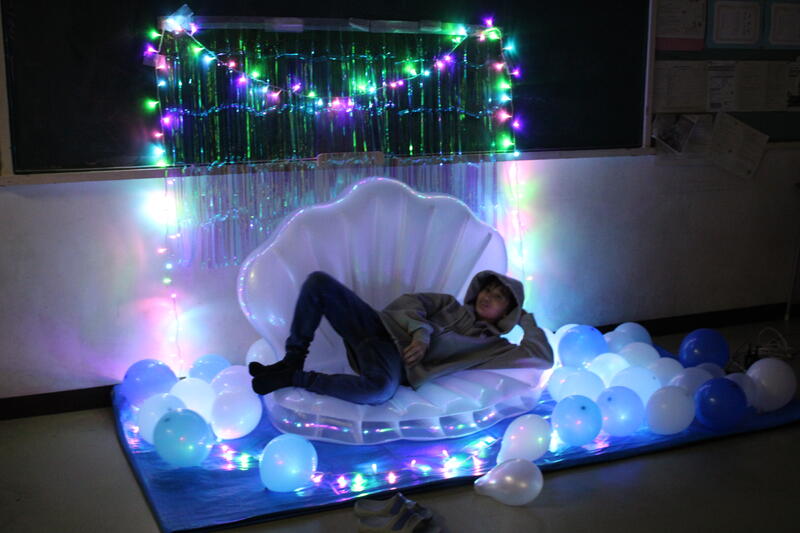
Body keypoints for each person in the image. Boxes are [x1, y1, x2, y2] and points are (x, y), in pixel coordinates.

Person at [250, 270, 553, 405]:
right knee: (319, 282)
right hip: (377, 329)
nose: (488, 297)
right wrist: (421, 333)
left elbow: (542, 356)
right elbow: (409, 303)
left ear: (507, 312)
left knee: (379, 391)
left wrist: (525, 319)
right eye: (488, 289)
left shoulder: (493, 347)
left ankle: (297, 378)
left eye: (499, 298)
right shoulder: (448, 303)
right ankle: (292, 360)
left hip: (393, 365)